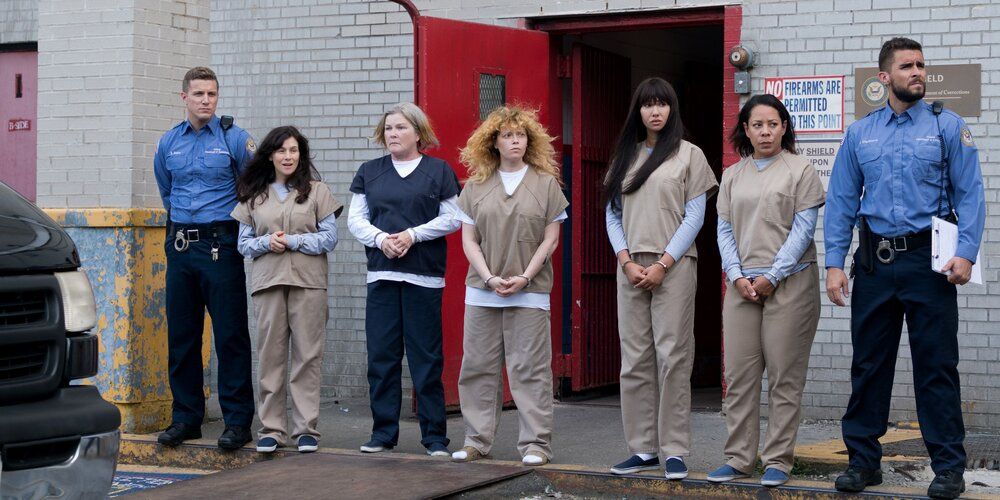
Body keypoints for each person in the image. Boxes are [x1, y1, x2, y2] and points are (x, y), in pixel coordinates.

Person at [825, 37, 985, 499]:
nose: (917, 72)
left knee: (936, 366)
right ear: (884, 77)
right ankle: (863, 462)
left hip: (927, 262)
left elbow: (970, 194)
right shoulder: (860, 135)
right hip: (874, 262)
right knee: (869, 365)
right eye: (907, 66)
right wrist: (835, 263)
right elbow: (840, 203)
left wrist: (967, 253)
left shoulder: (948, 127)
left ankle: (949, 467)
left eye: (921, 65)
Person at [603, 77, 718, 479]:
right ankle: (642, 449)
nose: (655, 111)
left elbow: (696, 216)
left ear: (672, 110)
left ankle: (674, 450)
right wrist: (625, 260)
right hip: (630, 267)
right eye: (648, 105)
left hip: (675, 264)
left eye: (662, 104)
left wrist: (663, 263)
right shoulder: (625, 155)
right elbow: (612, 214)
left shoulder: (690, 155)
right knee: (634, 359)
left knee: (672, 356)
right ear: (638, 111)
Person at [708, 95, 825, 487]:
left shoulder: (800, 168)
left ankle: (778, 460)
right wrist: (735, 274)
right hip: (741, 286)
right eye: (757, 125)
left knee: (783, 377)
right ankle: (739, 458)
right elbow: (724, 229)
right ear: (745, 129)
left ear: (784, 127)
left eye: (773, 124)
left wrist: (773, 275)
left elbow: (803, 228)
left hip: (790, 283)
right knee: (739, 375)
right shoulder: (732, 175)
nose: (765, 131)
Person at [450, 106, 569, 466]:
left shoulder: (546, 184)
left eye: (520, 135)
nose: (515, 140)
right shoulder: (474, 187)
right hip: (482, 290)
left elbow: (550, 240)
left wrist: (524, 278)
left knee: (530, 369)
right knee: (478, 367)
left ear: (529, 141)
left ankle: (536, 444)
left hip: (529, 293)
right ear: (494, 142)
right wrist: (488, 277)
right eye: (507, 135)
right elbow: (468, 241)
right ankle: (475, 440)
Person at [347, 102, 460, 457]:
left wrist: (412, 235)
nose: (393, 134)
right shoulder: (370, 171)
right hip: (382, 275)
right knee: (382, 357)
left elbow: (453, 218)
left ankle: (435, 438)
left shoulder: (438, 171)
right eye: (389, 128)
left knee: (426, 359)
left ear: (418, 132)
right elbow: (355, 219)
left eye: (400, 128)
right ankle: (382, 433)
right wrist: (382, 239)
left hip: (423, 277)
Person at [153, 66, 256, 450]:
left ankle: (237, 422)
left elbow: (253, 187)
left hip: (220, 244)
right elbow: (167, 190)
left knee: (230, 335)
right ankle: (186, 418)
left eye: (212, 94)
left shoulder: (235, 138)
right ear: (184, 97)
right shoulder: (168, 143)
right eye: (199, 94)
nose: (206, 101)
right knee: (181, 336)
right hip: (180, 245)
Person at [231, 126, 342, 454]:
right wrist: (267, 242)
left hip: (309, 284)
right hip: (268, 284)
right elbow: (243, 245)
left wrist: (293, 240)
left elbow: (329, 238)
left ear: (301, 154)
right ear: (270, 155)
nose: (288, 156)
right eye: (281, 151)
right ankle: (271, 429)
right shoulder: (254, 195)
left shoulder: (318, 192)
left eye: (293, 150)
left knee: (308, 357)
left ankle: (306, 429)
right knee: (270, 357)